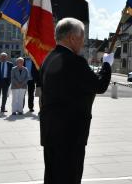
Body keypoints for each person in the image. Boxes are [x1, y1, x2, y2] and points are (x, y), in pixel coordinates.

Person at [40, 17, 114, 183]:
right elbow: (99, 85)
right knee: (69, 177)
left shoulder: (48, 58)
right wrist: (107, 65)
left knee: (52, 177)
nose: (83, 43)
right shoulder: (74, 61)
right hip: (70, 134)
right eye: (82, 38)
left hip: (51, 131)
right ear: (72, 38)